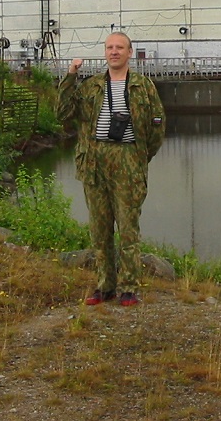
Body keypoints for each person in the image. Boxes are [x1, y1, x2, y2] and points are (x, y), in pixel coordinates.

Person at [57, 32, 165, 306]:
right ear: (105, 52)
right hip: (95, 161)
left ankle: (129, 288)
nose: (114, 52)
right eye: (109, 47)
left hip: (128, 159)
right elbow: (63, 113)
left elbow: (157, 126)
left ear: (130, 52)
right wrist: (70, 76)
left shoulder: (143, 86)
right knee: (99, 228)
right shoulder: (91, 86)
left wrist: (140, 157)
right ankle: (104, 286)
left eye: (119, 47)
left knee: (128, 228)